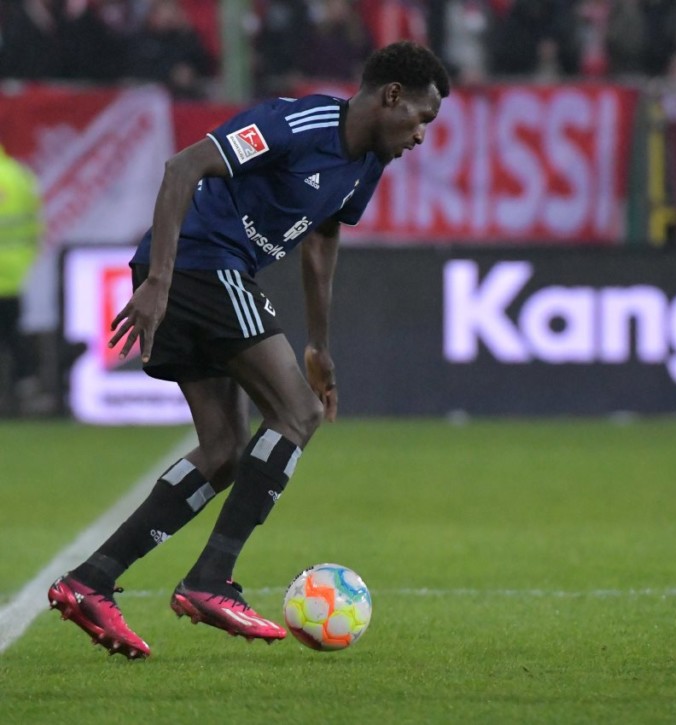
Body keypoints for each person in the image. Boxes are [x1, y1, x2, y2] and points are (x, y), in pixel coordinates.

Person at [47, 41, 450, 660]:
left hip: (211, 274)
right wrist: (158, 280)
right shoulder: (294, 124)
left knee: (225, 450)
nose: (422, 134)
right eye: (422, 117)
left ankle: (90, 582)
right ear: (390, 96)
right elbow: (183, 167)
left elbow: (323, 235)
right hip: (199, 266)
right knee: (298, 413)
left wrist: (318, 341)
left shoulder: (366, 162)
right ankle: (211, 580)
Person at [0, 144, 44, 416]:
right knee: (14, 336)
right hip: (15, 274)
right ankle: (26, 393)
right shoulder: (19, 175)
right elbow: (35, 223)